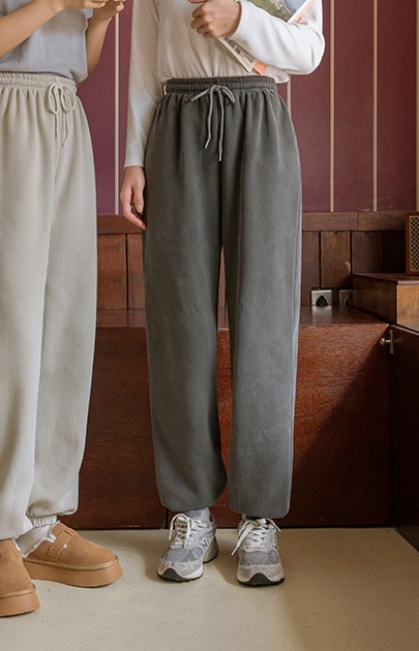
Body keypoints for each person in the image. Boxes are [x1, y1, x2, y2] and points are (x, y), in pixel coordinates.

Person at [120, 0, 325, 586]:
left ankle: (260, 515)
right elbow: (144, 62)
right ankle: (191, 510)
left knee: (265, 322)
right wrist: (134, 158)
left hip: (260, 119)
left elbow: (309, 50)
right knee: (178, 321)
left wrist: (241, 19)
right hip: (176, 122)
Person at [0, 0, 124, 617]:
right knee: (8, 329)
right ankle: (1, 531)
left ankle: (40, 523)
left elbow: (78, 60)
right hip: (6, 112)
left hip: (65, 113)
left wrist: (102, 17)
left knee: (65, 325)